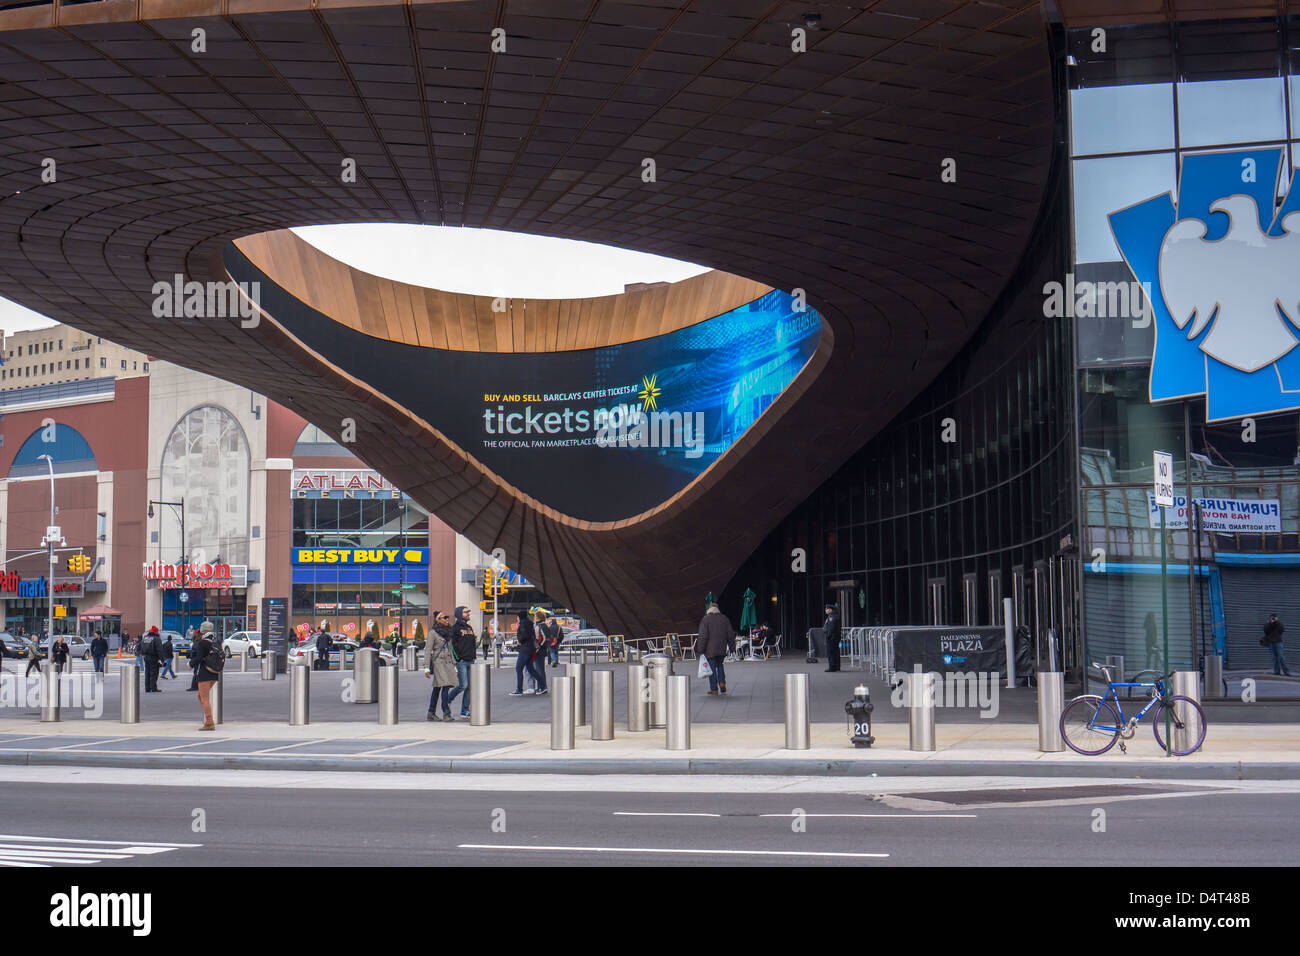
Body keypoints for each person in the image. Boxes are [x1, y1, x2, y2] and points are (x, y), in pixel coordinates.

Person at [424, 611, 457, 720]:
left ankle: (431, 712)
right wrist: (426, 667)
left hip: (448, 662)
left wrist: (454, 665)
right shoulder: (432, 633)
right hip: (438, 662)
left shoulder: (448, 632)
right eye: (444, 617)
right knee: (446, 685)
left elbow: (450, 649)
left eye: (447, 617)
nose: (447, 619)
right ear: (438, 620)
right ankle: (446, 713)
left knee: (437, 688)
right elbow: (428, 650)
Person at [444, 605, 476, 719]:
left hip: (470, 660)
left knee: (469, 687)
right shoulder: (455, 628)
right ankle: (447, 700)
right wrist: (457, 659)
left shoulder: (469, 628)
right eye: (465, 612)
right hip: (461, 661)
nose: (468, 614)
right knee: (463, 685)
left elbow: (472, 643)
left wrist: (473, 656)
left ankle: (465, 710)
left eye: (468, 612)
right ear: (459, 614)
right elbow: (452, 645)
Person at [698, 602, 735, 694]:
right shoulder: (724, 618)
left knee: (712, 668)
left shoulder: (706, 619)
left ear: (709, 609)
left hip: (710, 649)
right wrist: (732, 648)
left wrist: (701, 649)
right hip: (722, 647)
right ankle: (722, 683)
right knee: (720, 665)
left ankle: (714, 688)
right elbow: (730, 634)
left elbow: (703, 636)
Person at [509, 610, 546, 696]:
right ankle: (543, 686)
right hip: (530, 649)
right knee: (531, 669)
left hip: (524, 649)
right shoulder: (530, 624)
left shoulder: (523, 624)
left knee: (518, 668)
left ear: (520, 617)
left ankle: (519, 689)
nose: (517, 619)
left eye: (517, 617)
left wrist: (519, 640)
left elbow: (524, 635)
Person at [193, 620, 221, 731]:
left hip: (204, 672)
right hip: (214, 672)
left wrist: (190, 663)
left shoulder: (203, 643)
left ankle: (209, 722)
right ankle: (209, 720)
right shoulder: (216, 641)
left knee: (204, 698)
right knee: (201, 696)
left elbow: (199, 658)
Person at [139, 625, 163, 692]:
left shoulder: (145, 638)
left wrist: (142, 653)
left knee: (147, 673)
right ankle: (153, 688)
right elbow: (159, 650)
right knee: (154, 673)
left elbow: (141, 647)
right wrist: (162, 660)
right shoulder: (156, 639)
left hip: (146, 657)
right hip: (153, 657)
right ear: (155, 632)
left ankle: (147, 688)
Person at [823, 602, 841, 672]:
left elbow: (831, 628)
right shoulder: (835, 616)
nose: (825, 610)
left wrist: (828, 636)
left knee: (831, 652)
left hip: (832, 637)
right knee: (836, 652)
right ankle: (837, 666)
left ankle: (832, 667)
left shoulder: (831, 617)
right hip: (835, 637)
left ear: (830, 610)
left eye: (826, 609)